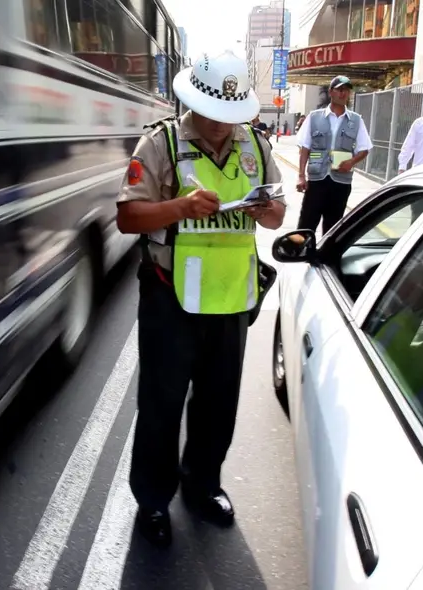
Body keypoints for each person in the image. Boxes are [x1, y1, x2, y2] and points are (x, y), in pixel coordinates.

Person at [116, 49, 286, 548]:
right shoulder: (161, 142)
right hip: (171, 299)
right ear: (196, 102)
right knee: (162, 404)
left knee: (218, 404)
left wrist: (265, 210)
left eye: (233, 116)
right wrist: (179, 207)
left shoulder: (255, 144)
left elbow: (276, 216)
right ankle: (152, 499)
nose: (222, 126)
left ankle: (202, 485)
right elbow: (128, 218)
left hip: (232, 297)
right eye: (216, 115)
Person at [295, 75, 371, 235]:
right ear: (331, 92)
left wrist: (351, 161)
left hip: (340, 182)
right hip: (317, 180)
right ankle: (304, 254)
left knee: (333, 226)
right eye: (340, 90)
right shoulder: (314, 117)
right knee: (307, 222)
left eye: (347, 91)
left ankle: (325, 257)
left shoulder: (356, 120)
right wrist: (301, 176)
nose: (343, 94)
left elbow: (364, 148)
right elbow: (305, 148)